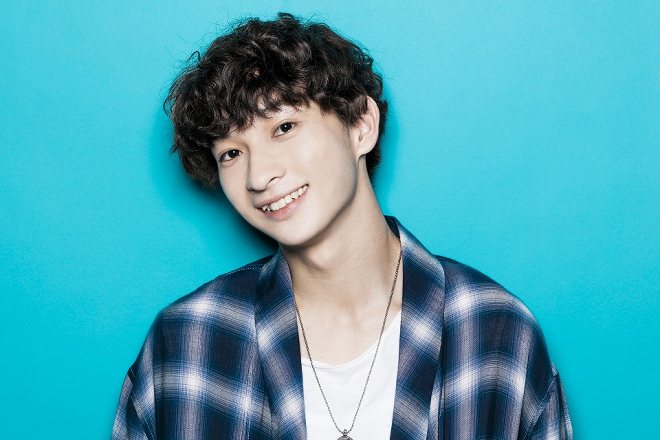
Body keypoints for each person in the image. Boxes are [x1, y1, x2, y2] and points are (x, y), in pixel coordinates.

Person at [112, 12, 572, 440]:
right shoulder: (186, 342)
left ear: (361, 125)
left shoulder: (494, 330)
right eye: (231, 153)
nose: (258, 176)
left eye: (284, 127)